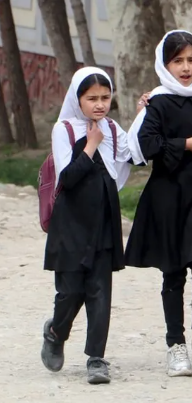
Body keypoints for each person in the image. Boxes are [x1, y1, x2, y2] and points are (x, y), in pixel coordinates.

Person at [125, 30, 192, 377]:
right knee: (173, 271)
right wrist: (186, 144)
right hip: (168, 194)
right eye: (178, 61)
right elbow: (148, 145)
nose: (186, 68)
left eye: (191, 59)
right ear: (165, 64)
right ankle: (176, 345)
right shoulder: (158, 101)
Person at [40, 66, 134, 385]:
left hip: (103, 221)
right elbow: (67, 177)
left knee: (99, 292)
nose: (99, 104)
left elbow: (133, 154)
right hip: (71, 223)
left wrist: (144, 115)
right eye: (91, 98)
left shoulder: (113, 128)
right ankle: (56, 331)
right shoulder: (63, 129)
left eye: (105, 98)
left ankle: (96, 358)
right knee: (70, 291)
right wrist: (92, 143)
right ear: (77, 98)